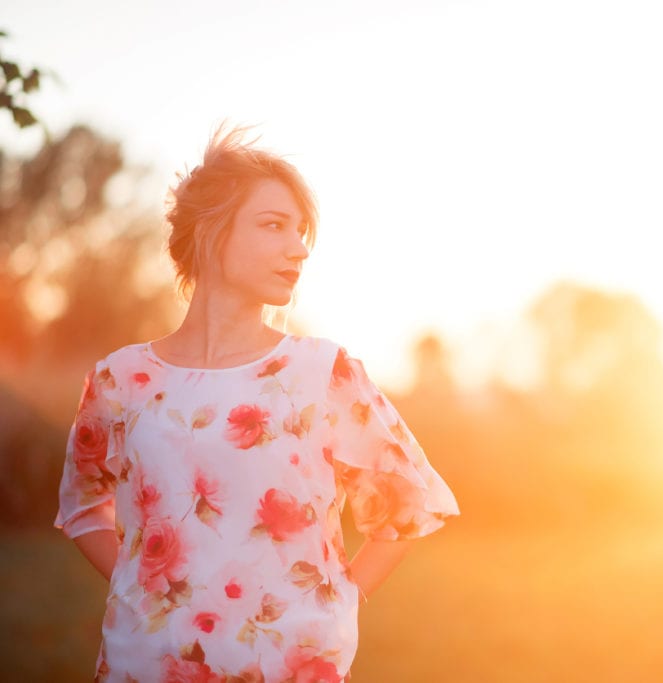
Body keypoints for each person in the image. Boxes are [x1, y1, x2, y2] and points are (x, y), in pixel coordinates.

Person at [53, 124, 460, 682]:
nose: (298, 248)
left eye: (302, 233)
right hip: (144, 664)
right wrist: (143, 592)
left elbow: (409, 503)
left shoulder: (321, 372)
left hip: (289, 667)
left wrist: (334, 604)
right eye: (274, 226)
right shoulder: (122, 378)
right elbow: (80, 507)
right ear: (211, 231)